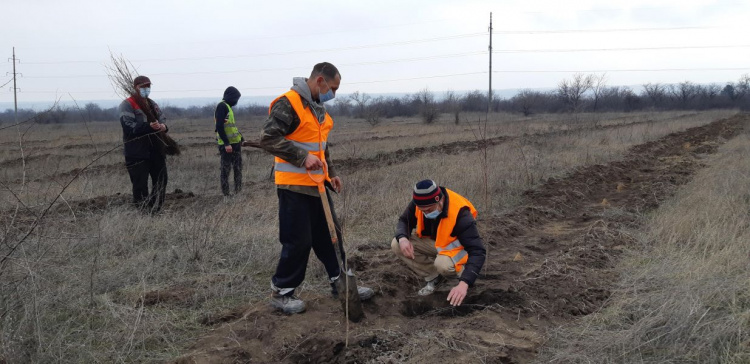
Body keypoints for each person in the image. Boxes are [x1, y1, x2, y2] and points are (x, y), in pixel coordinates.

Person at [260, 62, 373, 314]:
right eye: (333, 88)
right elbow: (268, 138)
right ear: (319, 81)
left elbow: (321, 147)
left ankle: (340, 282)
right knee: (298, 240)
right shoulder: (288, 103)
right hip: (293, 186)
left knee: (331, 236)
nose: (333, 93)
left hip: (317, 185)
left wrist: (331, 173)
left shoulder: (317, 108)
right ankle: (282, 292)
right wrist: (301, 157)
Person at [392, 179, 486, 307]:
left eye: (429, 210)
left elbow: (478, 251)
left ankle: (462, 274)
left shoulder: (461, 214)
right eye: (422, 210)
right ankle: (434, 277)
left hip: (459, 250)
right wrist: (403, 238)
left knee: (443, 264)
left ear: (439, 200)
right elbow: (404, 220)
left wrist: (465, 283)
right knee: (396, 243)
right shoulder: (420, 203)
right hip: (438, 245)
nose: (425, 213)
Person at [118, 75, 169, 213]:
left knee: (162, 181)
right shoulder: (127, 104)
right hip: (137, 153)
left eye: (148, 86)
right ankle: (143, 213)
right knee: (140, 186)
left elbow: (162, 118)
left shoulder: (152, 104)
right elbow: (128, 127)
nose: (146, 89)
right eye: (143, 87)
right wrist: (148, 127)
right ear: (136, 87)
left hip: (156, 151)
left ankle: (155, 210)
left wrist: (164, 126)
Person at [215, 86, 243, 196]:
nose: (236, 101)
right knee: (225, 170)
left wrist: (241, 138)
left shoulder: (228, 107)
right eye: (236, 98)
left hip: (235, 144)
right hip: (227, 146)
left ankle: (238, 191)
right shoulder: (222, 106)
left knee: (238, 168)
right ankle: (226, 194)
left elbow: (231, 127)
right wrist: (226, 144)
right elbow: (219, 126)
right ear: (230, 97)